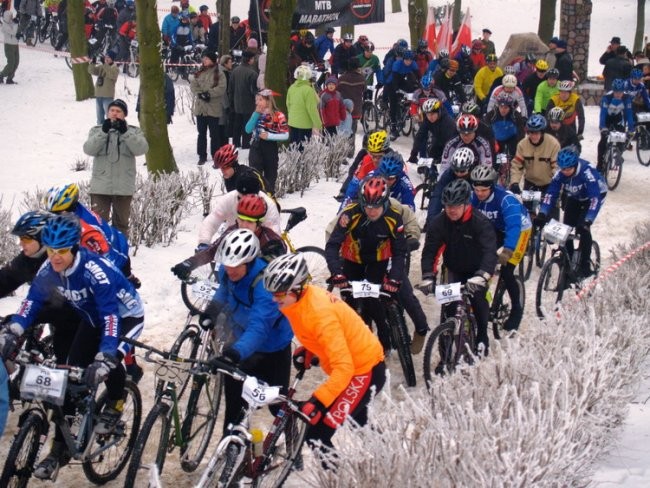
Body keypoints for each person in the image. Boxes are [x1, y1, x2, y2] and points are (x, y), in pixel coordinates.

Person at [0, 214, 144, 479]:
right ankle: (58, 451)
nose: (55, 257)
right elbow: (31, 303)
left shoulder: (95, 272)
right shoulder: (48, 269)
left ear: (74, 247)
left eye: (62, 251)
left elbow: (111, 318)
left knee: (108, 361)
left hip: (125, 317)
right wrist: (15, 329)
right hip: (91, 318)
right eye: (52, 250)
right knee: (66, 380)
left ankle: (116, 401)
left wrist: (105, 357)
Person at [262, 252, 386, 460]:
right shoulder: (300, 301)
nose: (275, 299)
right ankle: (391, 462)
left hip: (363, 371)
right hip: (356, 366)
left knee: (317, 433)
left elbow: (343, 366)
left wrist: (318, 401)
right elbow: (328, 335)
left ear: (297, 288)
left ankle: (337, 480)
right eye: (273, 293)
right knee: (358, 421)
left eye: (280, 294)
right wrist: (311, 349)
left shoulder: (319, 313)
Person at [200, 229, 293, 434]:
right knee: (235, 402)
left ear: (249, 262)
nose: (230, 270)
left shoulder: (266, 285)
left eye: (237, 266)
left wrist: (234, 353)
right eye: (227, 265)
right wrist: (211, 312)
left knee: (277, 406)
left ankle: (292, 444)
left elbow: (259, 328)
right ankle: (232, 451)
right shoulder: (227, 271)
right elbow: (224, 291)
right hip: (241, 341)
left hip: (273, 347)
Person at [325, 176, 407, 353]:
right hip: (353, 260)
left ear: (385, 202)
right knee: (349, 305)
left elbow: (400, 252)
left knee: (372, 300)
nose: (371, 211)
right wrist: (336, 272)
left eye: (376, 207)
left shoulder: (394, 218)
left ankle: (384, 340)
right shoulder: (350, 214)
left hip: (377, 261)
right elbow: (332, 245)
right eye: (368, 206)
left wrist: (394, 278)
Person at [419, 179, 497, 362]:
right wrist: (428, 276)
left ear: (466, 204)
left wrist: (483, 274)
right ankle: (445, 358)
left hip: (478, 270)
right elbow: (430, 251)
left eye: (456, 206)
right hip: (453, 269)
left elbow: (489, 252)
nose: (451, 210)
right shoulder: (439, 222)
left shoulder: (480, 222)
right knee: (449, 312)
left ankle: (482, 336)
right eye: (447, 206)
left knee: (479, 302)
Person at [172, 194, 286, 283]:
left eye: (250, 222)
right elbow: (213, 249)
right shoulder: (233, 231)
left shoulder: (271, 242)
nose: (244, 225)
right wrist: (189, 264)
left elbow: (277, 278)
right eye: (241, 219)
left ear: (259, 223)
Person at [470, 165, 531, 331]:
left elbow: (513, 227)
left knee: (506, 270)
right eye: (476, 189)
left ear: (492, 186)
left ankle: (516, 311)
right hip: (496, 229)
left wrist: (508, 250)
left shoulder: (506, 200)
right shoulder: (473, 197)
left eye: (484, 190)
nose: (480, 193)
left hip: (519, 230)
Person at [536, 148, 607, 279]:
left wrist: (588, 220)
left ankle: (585, 266)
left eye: (568, 169)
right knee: (566, 228)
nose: (565, 172)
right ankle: (567, 264)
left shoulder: (587, 172)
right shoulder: (560, 174)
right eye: (563, 169)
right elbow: (551, 194)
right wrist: (543, 213)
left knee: (582, 228)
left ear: (575, 165)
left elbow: (594, 199)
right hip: (575, 196)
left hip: (595, 196)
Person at [83, 99, 149, 236]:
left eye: (118, 111)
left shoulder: (134, 131)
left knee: (121, 224)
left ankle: (120, 252)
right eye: (112, 110)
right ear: (107, 113)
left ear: (124, 114)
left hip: (123, 186)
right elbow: (89, 149)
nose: (114, 114)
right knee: (98, 224)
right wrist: (103, 132)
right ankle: (99, 253)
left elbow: (141, 149)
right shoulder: (96, 130)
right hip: (100, 186)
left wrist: (125, 133)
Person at [198, 173, 281, 246]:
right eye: (240, 198)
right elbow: (213, 220)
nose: (244, 202)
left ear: (257, 194)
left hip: (258, 246)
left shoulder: (269, 206)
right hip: (231, 241)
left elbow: (273, 234)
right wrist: (204, 242)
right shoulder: (229, 199)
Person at [245, 89, 289, 194]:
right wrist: (255, 114)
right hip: (256, 146)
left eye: (260, 100)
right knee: (255, 174)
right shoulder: (256, 114)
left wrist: (270, 136)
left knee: (270, 176)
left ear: (268, 101)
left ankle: (269, 198)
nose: (257, 102)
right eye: (257, 100)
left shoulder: (278, 115)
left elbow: (285, 135)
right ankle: (255, 197)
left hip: (270, 148)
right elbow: (248, 129)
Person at [509, 114, 560, 199]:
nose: (533, 136)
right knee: (527, 211)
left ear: (542, 132)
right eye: (530, 132)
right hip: (530, 183)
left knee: (549, 211)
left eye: (536, 133)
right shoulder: (522, 145)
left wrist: (557, 186)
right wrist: (514, 182)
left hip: (548, 184)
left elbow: (557, 167)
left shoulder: (553, 144)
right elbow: (517, 165)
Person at [190, 50, 225, 165]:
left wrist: (209, 94)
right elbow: (193, 84)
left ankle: (216, 156)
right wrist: (200, 94)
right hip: (201, 109)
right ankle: (202, 155)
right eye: (203, 59)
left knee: (214, 134)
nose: (204, 60)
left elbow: (221, 88)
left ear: (212, 60)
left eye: (206, 58)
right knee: (201, 133)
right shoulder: (200, 72)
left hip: (213, 109)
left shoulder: (219, 73)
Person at [597, 78, 635, 172]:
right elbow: (603, 114)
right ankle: (600, 164)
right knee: (603, 141)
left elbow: (629, 114)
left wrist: (631, 129)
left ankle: (618, 154)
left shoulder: (627, 98)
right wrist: (603, 127)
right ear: (613, 90)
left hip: (618, 119)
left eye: (620, 92)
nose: (618, 94)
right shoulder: (607, 97)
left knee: (622, 138)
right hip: (607, 119)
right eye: (616, 92)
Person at [408, 97, 457, 164]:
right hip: (439, 140)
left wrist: (442, 159)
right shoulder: (428, 120)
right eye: (427, 114)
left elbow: (450, 143)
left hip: (453, 145)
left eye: (432, 114)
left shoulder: (447, 122)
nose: (430, 117)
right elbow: (420, 136)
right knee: (432, 156)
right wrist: (413, 154)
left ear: (439, 112)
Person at [229, 51, 259, 149]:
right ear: (250, 60)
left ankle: (236, 143)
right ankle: (246, 144)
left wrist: (231, 102)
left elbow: (231, 89)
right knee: (247, 124)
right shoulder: (253, 74)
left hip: (237, 103)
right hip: (248, 104)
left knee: (237, 124)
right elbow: (253, 90)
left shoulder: (234, 71)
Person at [286, 64, 322, 148]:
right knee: (303, 148)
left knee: (294, 146)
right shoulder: (308, 90)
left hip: (292, 122)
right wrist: (318, 124)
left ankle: (292, 161)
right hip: (305, 124)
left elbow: (288, 104)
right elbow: (312, 109)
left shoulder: (291, 88)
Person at [485, 92, 526, 158]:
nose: (503, 110)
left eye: (506, 107)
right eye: (501, 107)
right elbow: (485, 128)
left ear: (510, 108)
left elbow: (521, 132)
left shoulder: (516, 115)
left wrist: (520, 145)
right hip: (497, 137)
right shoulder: (492, 114)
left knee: (514, 151)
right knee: (497, 156)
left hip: (512, 137)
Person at [88, 50, 120, 125]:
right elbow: (91, 71)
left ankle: (111, 132)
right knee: (99, 118)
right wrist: (92, 63)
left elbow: (111, 75)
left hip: (107, 96)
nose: (106, 59)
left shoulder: (115, 68)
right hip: (99, 94)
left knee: (110, 117)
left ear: (112, 58)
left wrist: (104, 64)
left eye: (108, 57)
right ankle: (100, 133)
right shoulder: (103, 66)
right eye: (106, 57)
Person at [0, 10, 19, 84]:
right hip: (9, 45)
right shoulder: (4, 26)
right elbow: (13, 32)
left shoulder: (12, 23)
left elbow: (16, 31)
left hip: (15, 44)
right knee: (11, 63)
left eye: (12, 16)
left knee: (16, 62)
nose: (11, 17)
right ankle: (1, 75)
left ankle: (10, 78)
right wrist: (16, 24)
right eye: (10, 16)